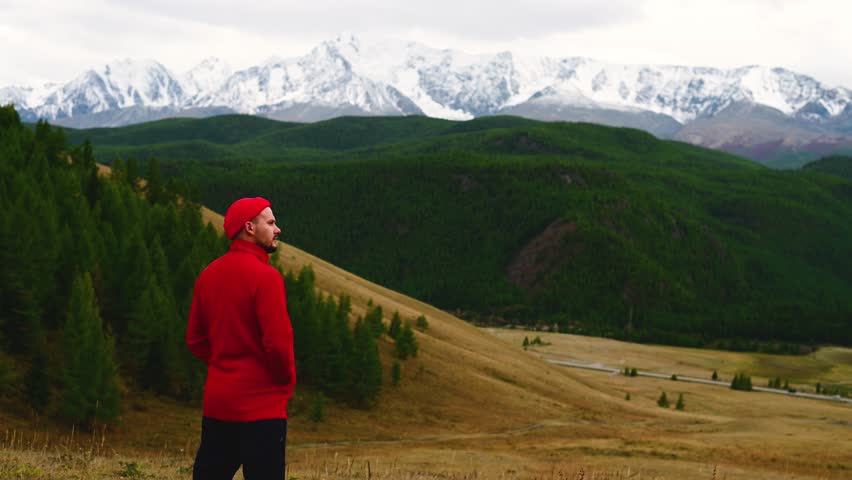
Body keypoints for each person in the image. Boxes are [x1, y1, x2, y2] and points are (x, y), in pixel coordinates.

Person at [186, 197, 296, 480]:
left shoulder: (208, 275)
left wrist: (225, 364)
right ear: (249, 227)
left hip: (219, 402)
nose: (277, 229)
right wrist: (284, 382)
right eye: (270, 223)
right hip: (262, 407)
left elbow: (195, 339)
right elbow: (278, 346)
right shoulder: (266, 278)